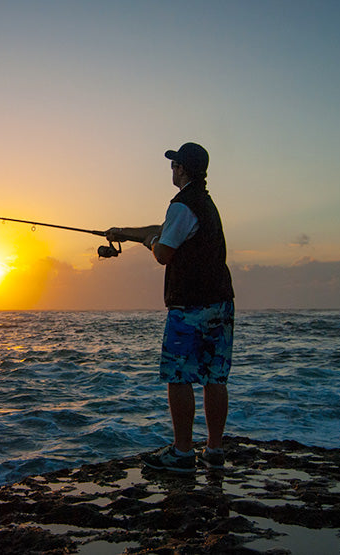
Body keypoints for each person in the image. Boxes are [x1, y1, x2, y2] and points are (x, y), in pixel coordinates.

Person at [106, 142, 235, 471]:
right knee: (215, 378)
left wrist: (149, 243)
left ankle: (181, 453)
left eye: (174, 163)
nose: (171, 168)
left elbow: (163, 251)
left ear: (182, 169)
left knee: (178, 377)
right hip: (220, 302)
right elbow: (164, 231)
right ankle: (215, 450)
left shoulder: (181, 204)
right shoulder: (204, 202)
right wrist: (124, 233)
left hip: (189, 305)